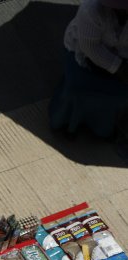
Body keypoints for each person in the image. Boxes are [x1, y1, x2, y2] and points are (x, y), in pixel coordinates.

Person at [50, 0, 128, 154]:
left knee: (119, 95)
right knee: (78, 87)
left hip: (122, 59)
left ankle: (102, 127)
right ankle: (67, 122)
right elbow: (90, 47)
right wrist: (118, 67)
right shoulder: (91, 9)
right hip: (82, 55)